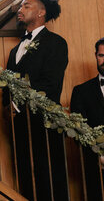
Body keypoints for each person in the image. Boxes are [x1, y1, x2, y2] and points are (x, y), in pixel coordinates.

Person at [5, 0, 68, 201]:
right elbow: (8, 84)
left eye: (26, 6)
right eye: (20, 6)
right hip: (21, 124)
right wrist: (10, 104)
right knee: (25, 174)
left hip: (47, 122)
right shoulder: (15, 50)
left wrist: (19, 102)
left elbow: (51, 84)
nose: (20, 10)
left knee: (50, 175)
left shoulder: (56, 43)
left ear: (41, 13)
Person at [70, 37, 104, 200]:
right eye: (101, 55)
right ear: (95, 56)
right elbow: (78, 131)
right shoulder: (81, 91)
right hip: (96, 167)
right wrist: (99, 154)